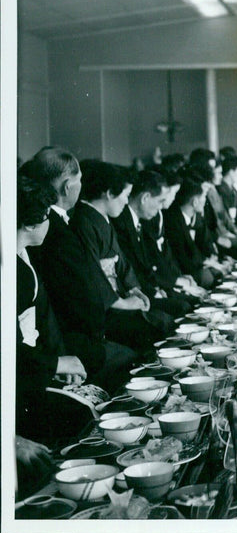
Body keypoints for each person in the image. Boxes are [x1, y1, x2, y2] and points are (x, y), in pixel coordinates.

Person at [23, 148, 137, 391]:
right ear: (67, 187)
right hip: (70, 339)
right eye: (79, 181)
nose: (81, 186)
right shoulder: (55, 232)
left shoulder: (57, 223)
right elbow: (80, 295)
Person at [71, 161, 173, 353]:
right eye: (126, 195)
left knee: (162, 321)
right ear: (109, 194)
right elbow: (92, 273)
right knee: (156, 326)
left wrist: (135, 289)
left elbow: (122, 262)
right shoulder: (83, 221)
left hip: (117, 298)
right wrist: (123, 303)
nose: (127, 201)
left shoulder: (103, 218)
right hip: (105, 309)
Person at [16, 175, 89, 445]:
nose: (50, 222)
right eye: (47, 215)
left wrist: (56, 361)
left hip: (35, 364)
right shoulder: (13, 270)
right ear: (29, 223)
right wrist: (55, 364)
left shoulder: (24, 256)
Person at [111, 170, 194, 318]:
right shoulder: (121, 223)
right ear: (145, 198)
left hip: (148, 287)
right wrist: (154, 291)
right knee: (182, 307)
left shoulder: (136, 220)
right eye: (160, 201)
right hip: (134, 295)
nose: (161, 207)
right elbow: (132, 269)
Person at [163, 178, 219, 288]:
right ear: (195, 202)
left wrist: (209, 259)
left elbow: (204, 243)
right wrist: (204, 263)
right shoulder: (173, 221)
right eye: (203, 197)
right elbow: (180, 255)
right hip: (183, 269)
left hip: (197, 263)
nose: (205, 200)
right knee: (208, 276)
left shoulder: (195, 218)